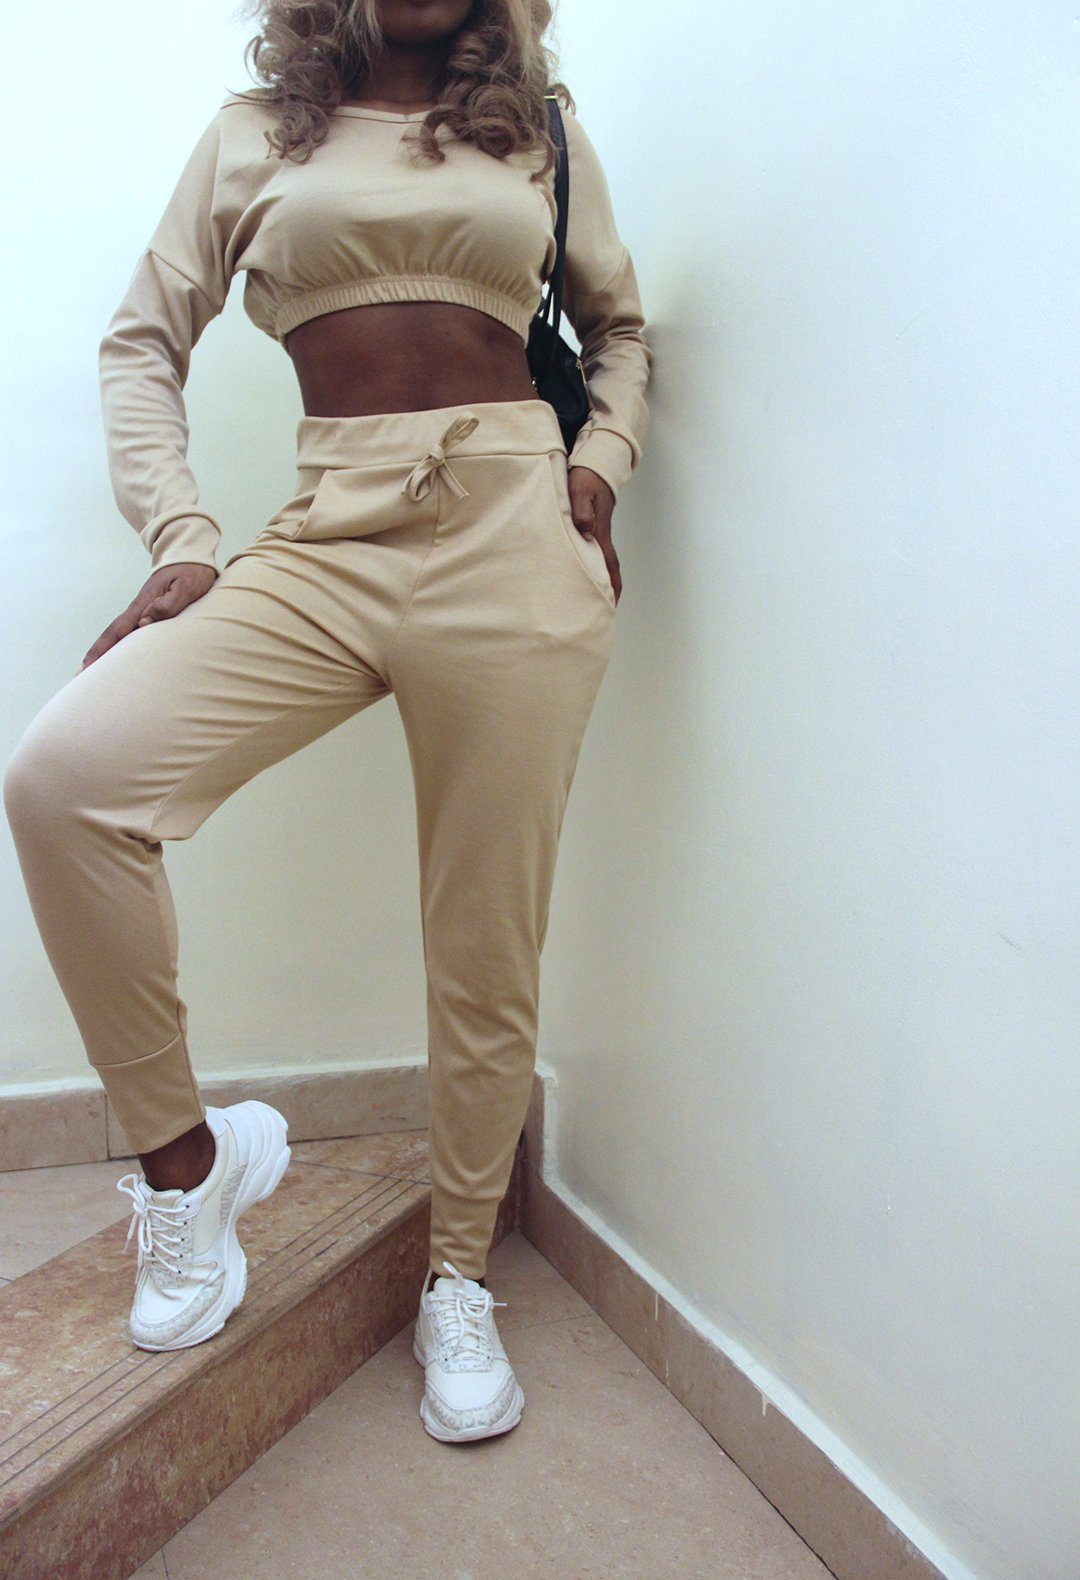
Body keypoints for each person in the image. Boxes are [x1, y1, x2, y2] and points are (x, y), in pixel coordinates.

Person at [3, 0, 650, 1445]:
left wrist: (601, 459)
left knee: (485, 934)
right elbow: (139, 341)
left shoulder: (537, 132)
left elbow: (619, 326)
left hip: (513, 540)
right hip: (328, 534)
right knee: (66, 783)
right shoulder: (253, 135)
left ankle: (460, 1276)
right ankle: (190, 1171)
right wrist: (181, 533)